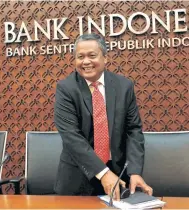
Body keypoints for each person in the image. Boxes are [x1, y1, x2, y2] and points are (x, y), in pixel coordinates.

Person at [54, 33, 152, 200]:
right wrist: (103, 172)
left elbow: (133, 130)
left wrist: (134, 171)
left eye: (92, 55)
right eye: (80, 57)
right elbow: (71, 137)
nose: (86, 62)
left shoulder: (124, 86)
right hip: (78, 180)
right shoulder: (66, 89)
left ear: (105, 58)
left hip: (119, 177)